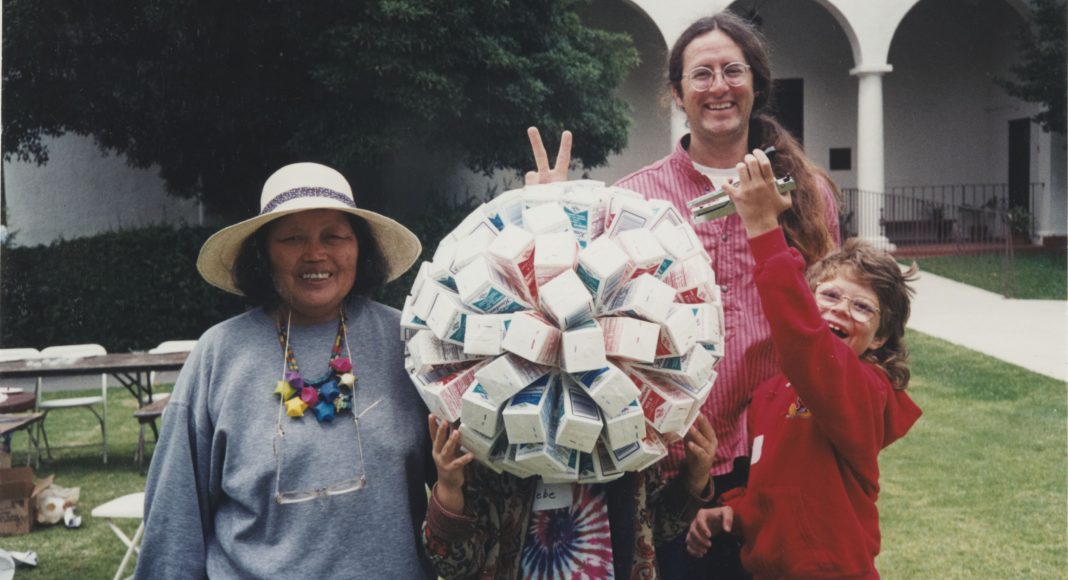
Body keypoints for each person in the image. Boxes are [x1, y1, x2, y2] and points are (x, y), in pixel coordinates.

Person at [525, 10, 842, 577]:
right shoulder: (633, 200)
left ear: (756, 84)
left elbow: (829, 328)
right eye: (701, 74)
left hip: (775, 460)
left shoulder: (808, 192)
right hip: (664, 465)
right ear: (677, 92)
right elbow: (583, 315)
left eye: (732, 71)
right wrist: (550, 223)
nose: (718, 86)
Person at [136, 162, 435, 579]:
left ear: (359, 248)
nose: (315, 254)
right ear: (263, 253)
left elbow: (469, 496)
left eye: (334, 235)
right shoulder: (218, 354)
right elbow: (175, 516)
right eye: (292, 238)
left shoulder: (408, 343)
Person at [683, 149, 921, 578]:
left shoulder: (866, 390)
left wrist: (762, 226)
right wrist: (727, 510)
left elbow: (808, 347)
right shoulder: (769, 395)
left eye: (863, 307)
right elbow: (776, 491)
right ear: (810, 301)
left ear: (881, 337)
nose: (841, 310)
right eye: (829, 296)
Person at [421, 414, 718, 579]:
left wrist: (695, 478)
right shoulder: (491, 448)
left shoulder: (629, 439)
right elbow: (456, 565)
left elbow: (657, 528)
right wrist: (449, 487)